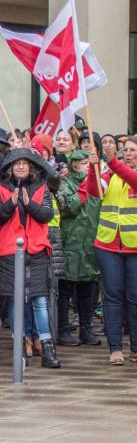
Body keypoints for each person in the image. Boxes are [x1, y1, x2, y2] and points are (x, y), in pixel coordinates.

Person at [86, 137, 137, 365]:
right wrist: (93, 166)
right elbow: (94, 191)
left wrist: (111, 162)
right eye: (124, 150)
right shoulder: (110, 173)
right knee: (113, 295)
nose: (127, 153)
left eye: (132, 150)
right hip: (108, 244)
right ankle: (115, 348)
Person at [0, 149, 60, 368]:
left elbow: (47, 215)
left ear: (32, 167)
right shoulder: (2, 188)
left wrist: (28, 204)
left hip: (36, 251)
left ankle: (47, 349)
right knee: (16, 301)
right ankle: (20, 349)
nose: (21, 167)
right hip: (9, 252)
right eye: (17, 164)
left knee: (40, 301)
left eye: (25, 163)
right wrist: (10, 205)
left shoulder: (42, 188)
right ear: (9, 168)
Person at [55, 150, 101, 347]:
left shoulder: (98, 182)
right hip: (70, 242)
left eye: (88, 163)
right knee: (65, 288)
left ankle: (86, 328)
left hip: (90, 242)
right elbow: (67, 208)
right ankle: (63, 329)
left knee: (87, 288)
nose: (86, 166)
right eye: (83, 163)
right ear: (73, 164)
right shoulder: (64, 183)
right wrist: (83, 188)